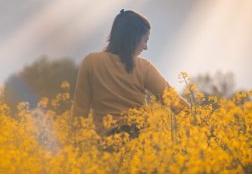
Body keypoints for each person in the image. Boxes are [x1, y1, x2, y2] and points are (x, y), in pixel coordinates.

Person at [71, 9, 189, 137]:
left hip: (105, 146)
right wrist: (205, 127)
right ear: (133, 39)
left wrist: (77, 147)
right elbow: (174, 102)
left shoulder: (91, 62)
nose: (146, 47)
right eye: (145, 41)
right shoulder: (144, 68)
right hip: (140, 145)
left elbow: (79, 113)